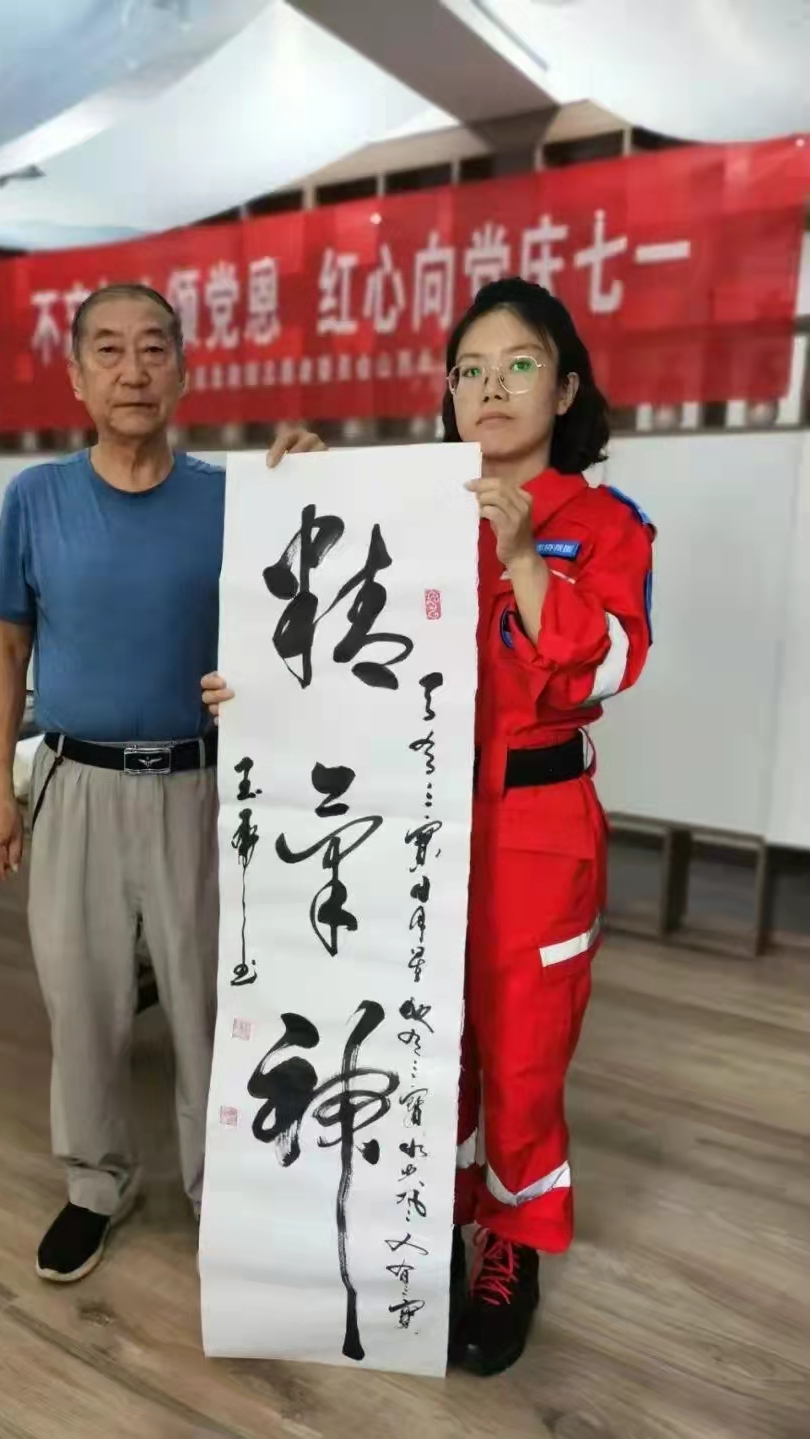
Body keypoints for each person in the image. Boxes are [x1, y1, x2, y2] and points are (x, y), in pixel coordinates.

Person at [203, 276, 655, 1376]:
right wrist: (299, 530)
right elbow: (333, 657)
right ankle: (431, 1221)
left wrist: (521, 560)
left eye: (519, 364)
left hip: (535, 827)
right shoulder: (402, 513)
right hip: (410, 815)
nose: (490, 386)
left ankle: (515, 1241)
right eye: (469, 369)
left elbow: (608, 663)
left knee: (524, 1054)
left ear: (567, 387)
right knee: (422, 1032)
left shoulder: (605, 524)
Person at [0, 282, 321, 1284]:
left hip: (198, 787)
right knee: (82, 1003)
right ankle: (96, 1183)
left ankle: (221, 1188)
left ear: (185, 369)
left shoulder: (233, 498)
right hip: (73, 784)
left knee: (208, 1004)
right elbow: (6, 648)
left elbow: (305, 612)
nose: (134, 371)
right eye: (110, 351)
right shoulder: (36, 497)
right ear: (77, 375)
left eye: (155, 348)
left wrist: (321, 483)